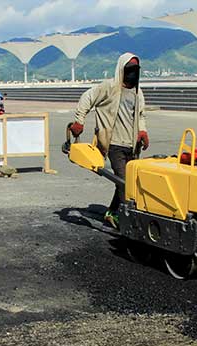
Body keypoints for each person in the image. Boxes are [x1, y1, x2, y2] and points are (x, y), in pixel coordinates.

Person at [70, 53, 148, 229]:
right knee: (124, 182)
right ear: (121, 69)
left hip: (132, 145)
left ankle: (112, 212)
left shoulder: (137, 92)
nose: (133, 73)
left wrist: (143, 131)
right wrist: (79, 120)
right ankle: (128, 221)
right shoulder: (109, 87)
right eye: (130, 70)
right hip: (114, 144)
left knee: (129, 181)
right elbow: (87, 98)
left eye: (136, 70)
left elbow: (141, 114)